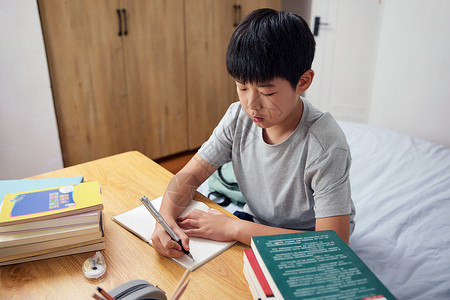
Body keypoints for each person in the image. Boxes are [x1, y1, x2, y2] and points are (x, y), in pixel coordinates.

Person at [151, 8, 355, 258]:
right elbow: (191, 174)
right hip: (257, 223)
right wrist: (164, 218)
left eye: (267, 93)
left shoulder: (326, 146)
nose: (251, 104)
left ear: (303, 82)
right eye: (242, 87)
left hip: (305, 240)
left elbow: (333, 245)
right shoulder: (238, 117)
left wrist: (234, 227)